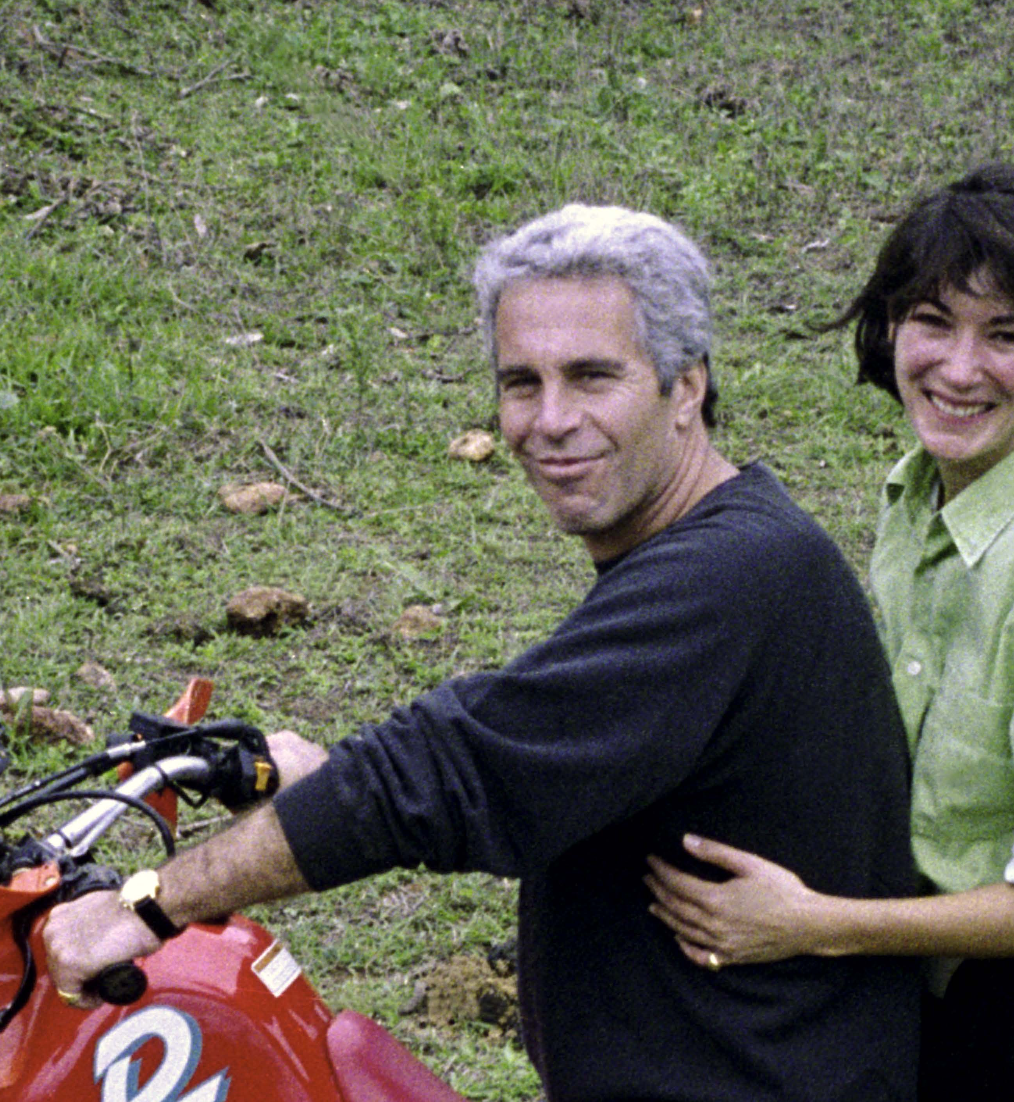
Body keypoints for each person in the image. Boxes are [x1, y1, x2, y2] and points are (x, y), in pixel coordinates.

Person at [44, 204, 922, 1101]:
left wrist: (145, 905)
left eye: (590, 377)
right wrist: (328, 776)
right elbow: (523, 745)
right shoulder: (721, 545)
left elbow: (454, 768)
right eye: (520, 382)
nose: (549, 420)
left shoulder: (732, 576)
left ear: (686, 385)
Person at [645, 165, 1014, 1102]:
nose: (959, 367)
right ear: (888, 330)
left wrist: (815, 922)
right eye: (932, 322)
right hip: (951, 1010)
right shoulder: (918, 502)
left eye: (1007, 335)